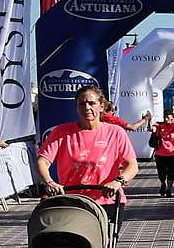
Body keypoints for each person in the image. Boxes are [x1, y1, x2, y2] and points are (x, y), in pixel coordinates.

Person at [34, 86, 139, 231]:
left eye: (92, 103)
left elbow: (132, 165)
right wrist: (50, 182)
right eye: (82, 104)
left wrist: (118, 181)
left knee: (104, 247)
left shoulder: (115, 133)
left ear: (102, 106)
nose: (87, 108)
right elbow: (42, 161)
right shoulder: (61, 132)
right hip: (73, 202)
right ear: (76, 108)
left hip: (107, 200)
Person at [148, 111, 174, 196]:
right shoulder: (159, 125)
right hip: (160, 153)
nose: (167, 119)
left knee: (171, 172)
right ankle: (163, 184)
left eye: (169, 118)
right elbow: (152, 129)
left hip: (173, 153)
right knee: (161, 173)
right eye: (166, 117)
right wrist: (149, 120)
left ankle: (169, 189)